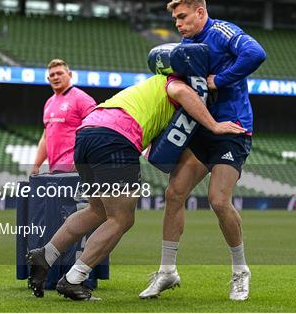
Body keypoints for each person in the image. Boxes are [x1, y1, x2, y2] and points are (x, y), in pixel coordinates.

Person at [26, 68, 246, 301]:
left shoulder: (149, 86)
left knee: (97, 210)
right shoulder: (174, 84)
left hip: (86, 135)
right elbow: (181, 92)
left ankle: (45, 255)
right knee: (122, 218)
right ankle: (73, 279)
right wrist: (214, 125)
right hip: (115, 139)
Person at [139, 0, 266, 301]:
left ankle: (240, 272)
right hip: (201, 129)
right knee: (173, 194)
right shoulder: (185, 47)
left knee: (218, 201)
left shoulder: (222, 32)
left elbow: (256, 53)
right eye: (175, 19)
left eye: (182, 17)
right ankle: (167, 271)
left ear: (200, 11)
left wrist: (219, 80)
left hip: (232, 129)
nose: (178, 24)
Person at [31, 59, 96, 174]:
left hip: (76, 169)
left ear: (70, 75)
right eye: (52, 75)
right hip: (55, 170)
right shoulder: (49, 103)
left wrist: (81, 159)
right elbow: (46, 137)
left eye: (60, 73)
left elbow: (95, 129)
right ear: (48, 79)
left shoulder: (82, 98)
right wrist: (36, 165)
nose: (56, 77)